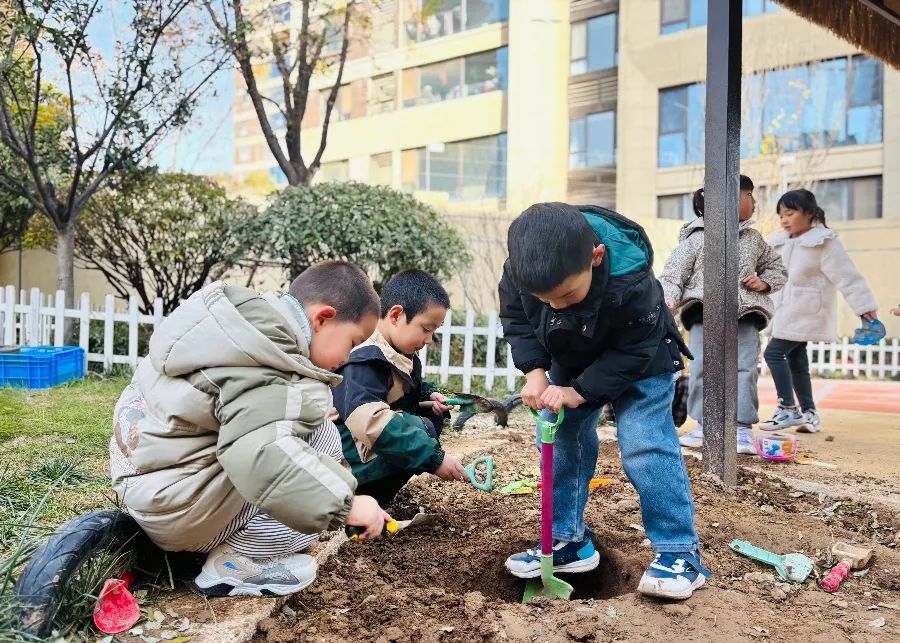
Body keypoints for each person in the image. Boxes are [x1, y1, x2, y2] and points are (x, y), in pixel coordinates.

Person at [108, 262, 392, 597]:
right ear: (322, 318)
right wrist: (347, 506)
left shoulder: (234, 330)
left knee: (316, 429)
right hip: (178, 508)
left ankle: (214, 538)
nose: (347, 358)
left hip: (149, 482)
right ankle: (232, 563)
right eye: (352, 342)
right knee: (306, 525)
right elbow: (261, 454)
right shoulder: (263, 364)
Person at [499, 202, 710, 601]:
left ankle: (680, 552)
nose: (556, 306)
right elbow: (517, 321)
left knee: (644, 443)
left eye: (565, 294)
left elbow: (636, 349)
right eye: (544, 300)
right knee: (561, 438)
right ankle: (567, 541)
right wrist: (536, 373)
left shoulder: (632, 281)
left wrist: (579, 392)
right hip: (572, 356)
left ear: (596, 258)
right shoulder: (521, 272)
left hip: (642, 360)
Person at [659, 176, 787, 454]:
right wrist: (669, 296)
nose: (753, 201)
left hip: (744, 314)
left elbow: (777, 269)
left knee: (743, 369)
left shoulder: (754, 239)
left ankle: (740, 427)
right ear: (724, 198)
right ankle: (705, 424)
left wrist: (764, 283)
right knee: (703, 368)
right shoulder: (695, 238)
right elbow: (673, 273)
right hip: (703, 313)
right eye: (749, 194)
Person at [333, 270, 468, 507]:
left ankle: (376, 499)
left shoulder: (398, 351)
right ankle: (359, 501)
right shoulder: (365, 358)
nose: (429, 340)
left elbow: (400, 392)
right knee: (422, 429)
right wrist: (434, 458)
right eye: (426, 329)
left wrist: (427, 394)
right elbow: (371, 422)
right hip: (340, 459)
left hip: (358, 445)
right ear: (396, 315)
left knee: (428, 419)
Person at [761, 189, 878, 433]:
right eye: (781, 214)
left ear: (810, 213)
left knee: (774, 353)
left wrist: (864, 309)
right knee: (797, 361)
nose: (784, 219)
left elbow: (848, 277)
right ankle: (809, 414)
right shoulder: (779, 243)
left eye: (790, 213)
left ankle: (787, 408)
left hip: (806, 312)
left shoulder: (824, 242)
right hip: (784, 312)